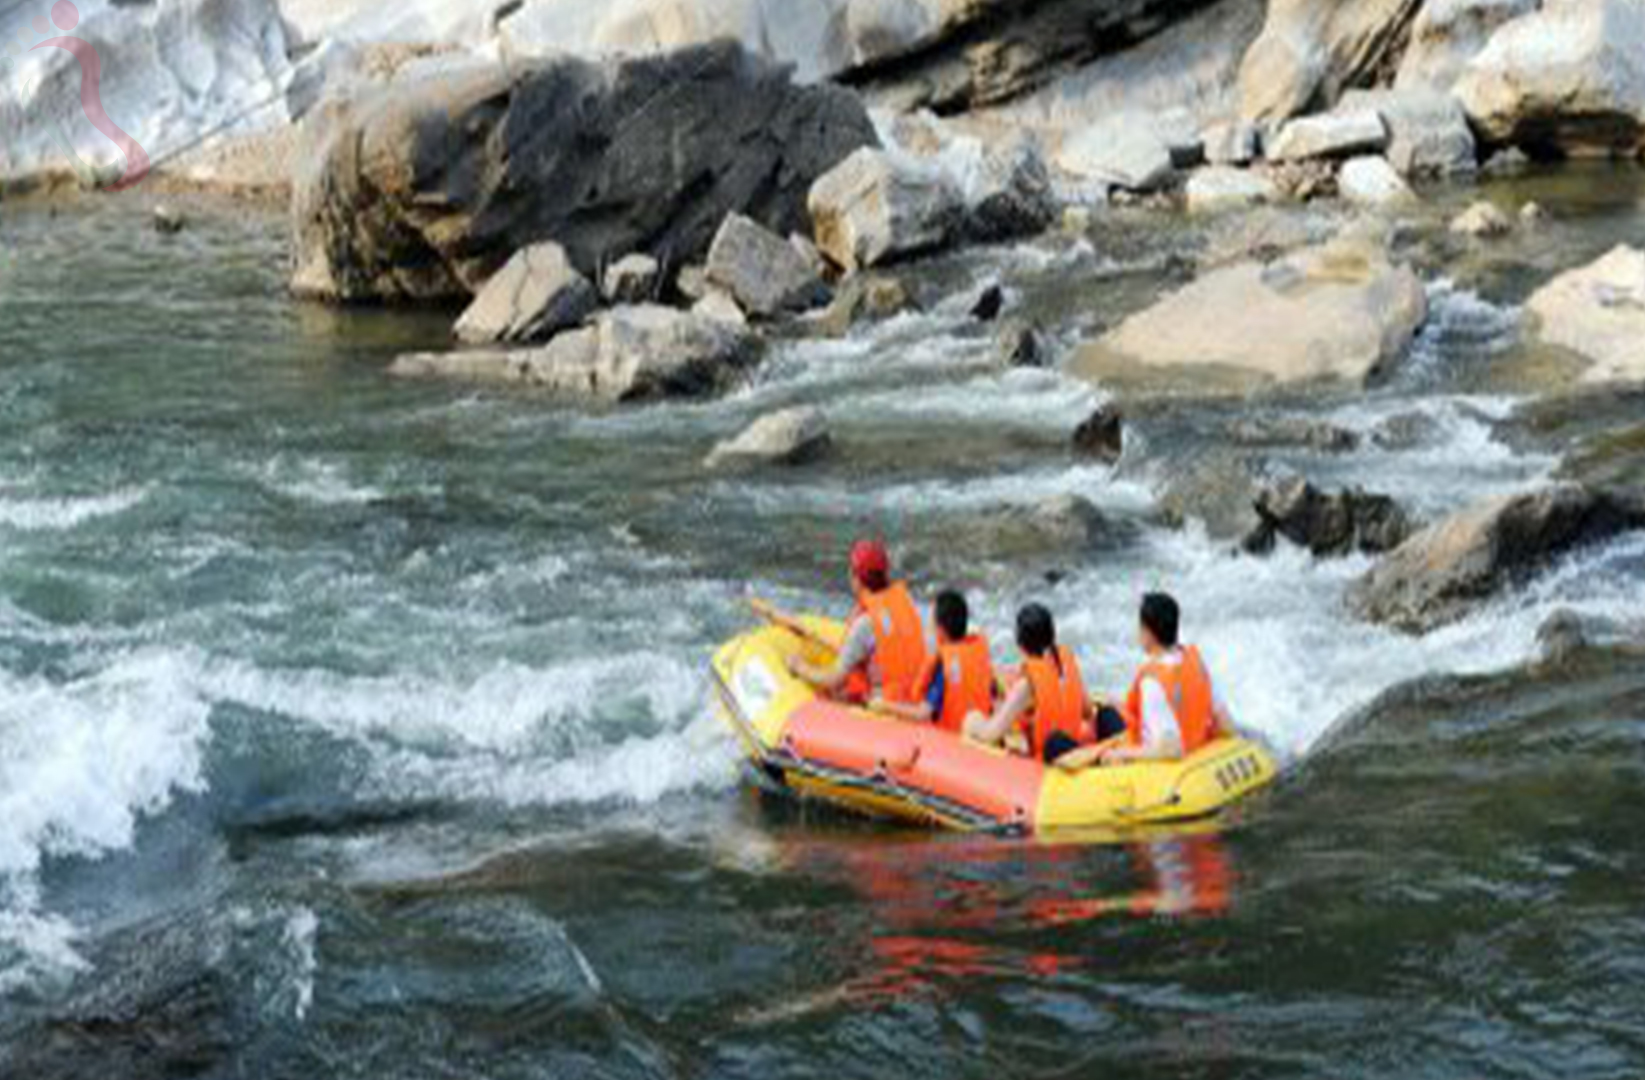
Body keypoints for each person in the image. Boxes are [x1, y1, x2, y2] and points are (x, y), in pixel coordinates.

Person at [752, 540, 929, 706]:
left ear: (856, 578)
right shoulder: (907, 603)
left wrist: (799, 667)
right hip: (913, 702)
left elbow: (833, 678)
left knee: (834, 693)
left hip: (884, 710)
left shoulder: (864, 625)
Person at [964, 604, 1125, 765]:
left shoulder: (1026, 685)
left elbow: (992, 733)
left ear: (1020, 643)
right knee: (1106, 712)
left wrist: (974, 721)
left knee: (1053, 742)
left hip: (1055, 757)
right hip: (1071, 742)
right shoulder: (1065, 660)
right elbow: (1087, 710)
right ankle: (1119, 750)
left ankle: (1090, 761)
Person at [1098, 592, 1237, 765]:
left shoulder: (1153, 681)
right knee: (1107, 711)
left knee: (1101, 721)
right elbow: (1226, 724)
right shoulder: (1196, 662)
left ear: (1149, 633)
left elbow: (1171, 749)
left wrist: (1120, 754)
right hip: (1197, 744)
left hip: (1157, 766)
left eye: (1140, 627)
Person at [874, 589, 995, 732]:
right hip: (974, 731)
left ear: (940, 630)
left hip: (951, 741)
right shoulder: (979, 655)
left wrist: (884, 705)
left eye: (931, 622)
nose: (928, 626)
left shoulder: (944, 665)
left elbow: (923, 714)